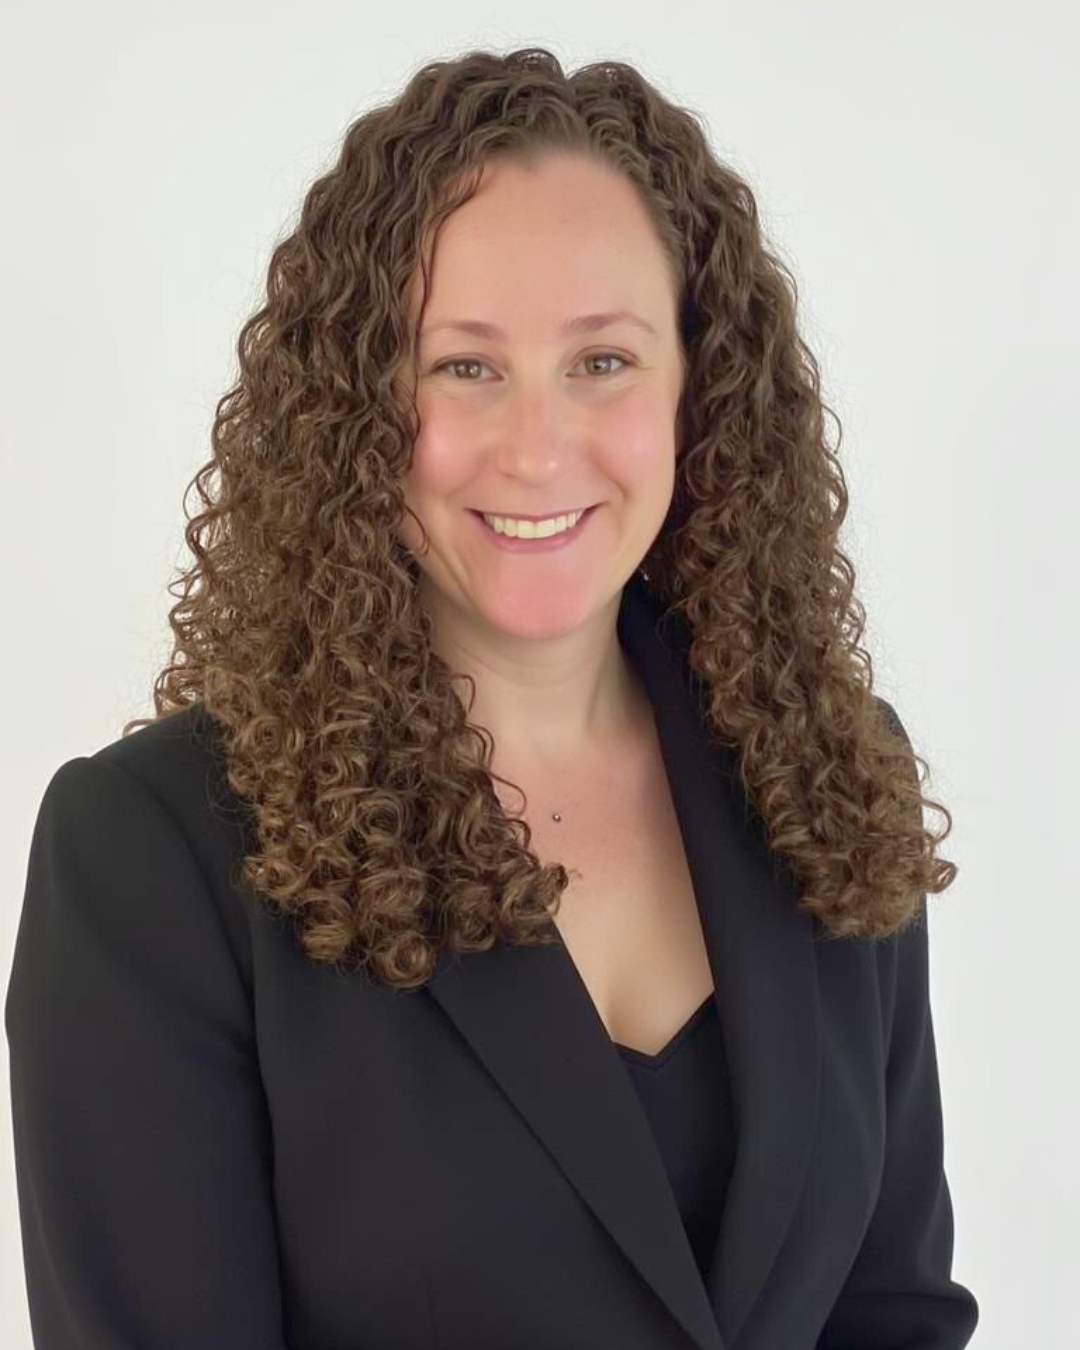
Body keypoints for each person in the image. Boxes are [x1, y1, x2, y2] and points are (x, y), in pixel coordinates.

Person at [4, 45, 979, 1350]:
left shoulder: (824, 773)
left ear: (703, 394)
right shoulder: (153, 853)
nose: (536, 446)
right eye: (463, 365)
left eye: (603, 361)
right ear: (359, 402)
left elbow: (891, 1309)